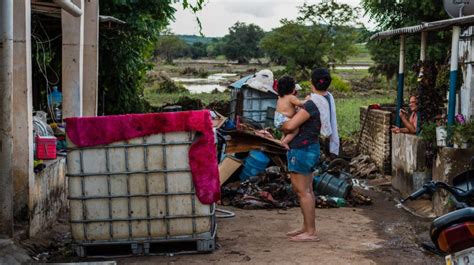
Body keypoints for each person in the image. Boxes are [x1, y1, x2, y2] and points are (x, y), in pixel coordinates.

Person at [280, 68, 334, 242]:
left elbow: (289, 127)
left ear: (312, 82)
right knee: (306, 190)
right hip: (310, 147)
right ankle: (306, 227)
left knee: (303, 191)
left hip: (302, 150)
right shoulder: (325, 98)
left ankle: (310, 232)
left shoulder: (312, 104)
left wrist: (282, 122)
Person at [274, 76, 305, 149]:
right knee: (295, 130)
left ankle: (281, 142)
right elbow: (300, 104)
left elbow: (289, 108)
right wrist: (308, 100)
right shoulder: (291, 97)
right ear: (293, 89)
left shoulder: (280, 97)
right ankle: (285, 142)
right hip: (284, 119)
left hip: (277, 120)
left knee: (286, 133)